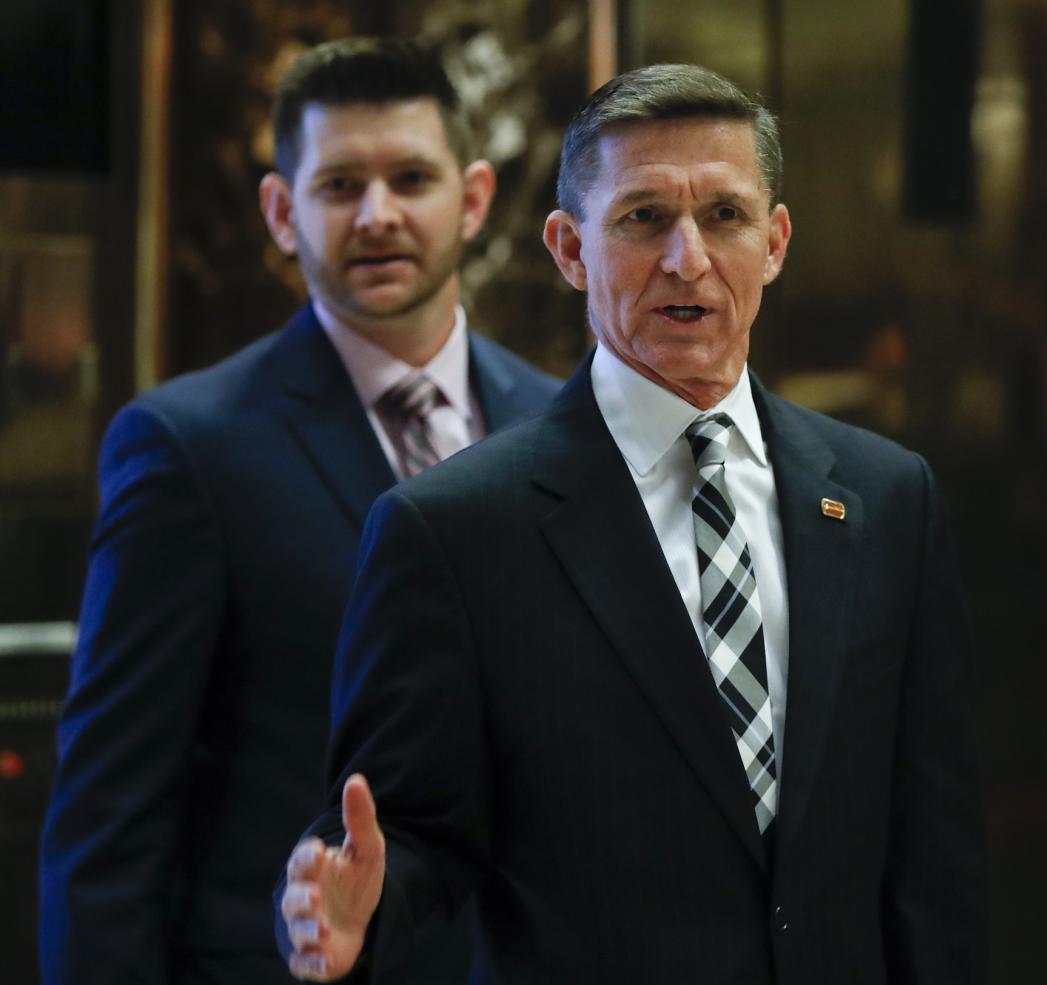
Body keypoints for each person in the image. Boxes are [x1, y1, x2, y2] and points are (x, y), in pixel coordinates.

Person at [278, 63, 984, 984]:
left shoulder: (889, 497)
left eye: (724, 216)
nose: (687, 259)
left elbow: (931, 849)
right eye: (643, 217)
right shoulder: (454, 530)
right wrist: (358, 908)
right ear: (571, 249)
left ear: (774, 242)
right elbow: (409, 832)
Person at [40, 36, 560, 985]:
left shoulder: (559, 424)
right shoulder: (187, 445)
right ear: (282, 212)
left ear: (475, 199)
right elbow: (107, 818)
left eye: (411, 177)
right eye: (338, 186)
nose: (378, 214)